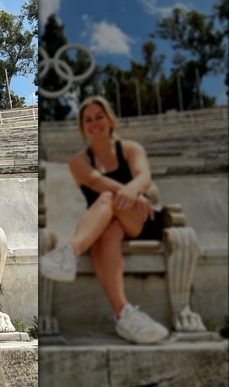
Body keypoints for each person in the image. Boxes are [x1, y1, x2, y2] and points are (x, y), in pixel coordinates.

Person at [39, 95, 168, 344]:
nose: (94, 122)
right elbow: (97, 182)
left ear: (110, 120)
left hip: (140, 219)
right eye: (88, 119)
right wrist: (129, 191)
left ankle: (70, 252)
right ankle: (124, 314)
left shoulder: (130, 149)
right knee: (108, 229)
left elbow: (144, 177)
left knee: (109, 198)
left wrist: (132, 192)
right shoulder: (78, 162)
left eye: (99, 116)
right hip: (106, 226)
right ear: (82, 127)